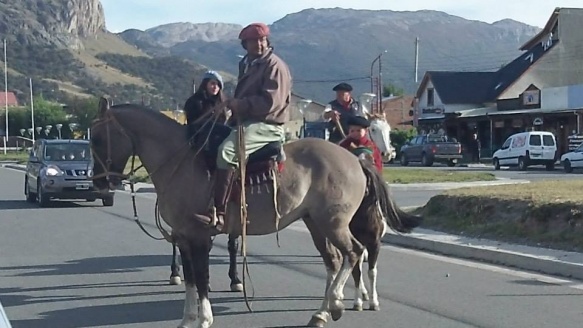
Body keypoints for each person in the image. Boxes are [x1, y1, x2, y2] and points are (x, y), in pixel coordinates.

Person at [210, 22, 292, 232]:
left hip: (268, 124)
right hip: (247, 121)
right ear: (244, 45)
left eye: (262, 40)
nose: (259, 44)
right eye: (253, 41)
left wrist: (239, 104)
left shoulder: (274, 66)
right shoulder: (249, 64)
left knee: (226, 152)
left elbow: (270, 103)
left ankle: (220, 212)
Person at [183, 70, 231, 154]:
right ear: (205, 84)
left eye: (218, 85)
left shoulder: (222, 104)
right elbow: (193, 123)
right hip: (201, 141)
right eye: (212, 83)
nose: (215, 87)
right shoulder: (194, 101)